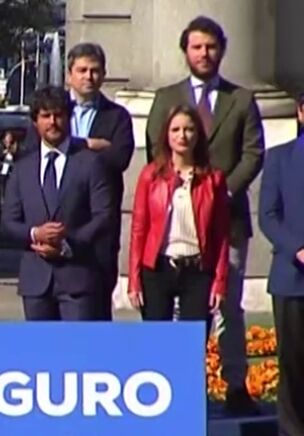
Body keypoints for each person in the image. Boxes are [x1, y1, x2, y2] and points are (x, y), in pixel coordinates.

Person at [145, 16, 264, 415]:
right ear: (185, 51)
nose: (204, 53)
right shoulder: (166, 98)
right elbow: (155, 151)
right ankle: (174, 387)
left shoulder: (241, 99)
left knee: (228, 305)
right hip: (177, 225)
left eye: (211, 46)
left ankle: (235, 386)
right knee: (181, 309)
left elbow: (253, 153)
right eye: (197, 47)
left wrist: (220, 192)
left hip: (228, 220)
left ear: (222, 50)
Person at [1, 86, 112, 320]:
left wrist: (67, 245)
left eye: (59, 115)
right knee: (41, 345)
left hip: (78, 278)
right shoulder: (23, 168)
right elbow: (9, 222)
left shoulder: (90, 163)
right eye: (46, 115)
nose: (53, 122)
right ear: (35, 122)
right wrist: (35, 234)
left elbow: (103, 216)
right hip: (36, 282)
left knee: (77, 344)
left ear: (68, 117)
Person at [129, 105, 229, 336]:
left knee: (192, 344)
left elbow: (221, 234)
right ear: (166, 134)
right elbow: (139, 229)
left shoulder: (213, 179)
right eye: (175, 130)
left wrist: (220, 281)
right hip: (158, 268)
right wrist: (134, 279)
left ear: (198, 134)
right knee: (157, 344)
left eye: (189, 129)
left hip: (197, 269)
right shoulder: (150, 175)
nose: (182, 136)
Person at [65, 43, 135, 320]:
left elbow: (119, 158)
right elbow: (36, 154)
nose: (88, 77)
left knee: (96, 310)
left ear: (104, 74)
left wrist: (71, 147)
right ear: (69, 75)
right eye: (82, 70)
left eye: (95, 71)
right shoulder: (52, 112)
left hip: (100, 225)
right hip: (59, 218)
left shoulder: (117, 116)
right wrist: (90, 145)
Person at [258, 94, 304, 435]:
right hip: (292, 276)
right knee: (293, 363)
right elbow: (268, 215)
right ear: (301, 112)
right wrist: (297, 249)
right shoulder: (279, 157)